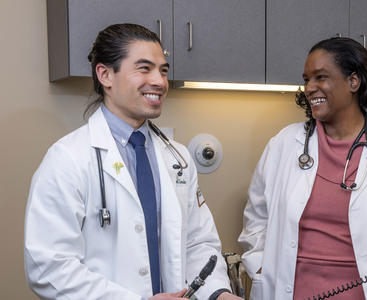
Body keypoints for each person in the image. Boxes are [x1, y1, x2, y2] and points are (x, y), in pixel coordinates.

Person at [24, 23, 242, 300]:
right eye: (144, 68)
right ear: (105, 74)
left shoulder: (178, 158)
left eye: (163, 70)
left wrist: (219, 293)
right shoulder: (67, 159)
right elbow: (48, 267)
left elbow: (198, 242)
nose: (160, 82)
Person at [238, 37, 367, 300]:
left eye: (321, 77)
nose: (310, 88)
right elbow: (256, 220)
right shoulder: (283, 145)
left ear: (353, 81)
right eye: (306, 79)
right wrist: (259, 268)